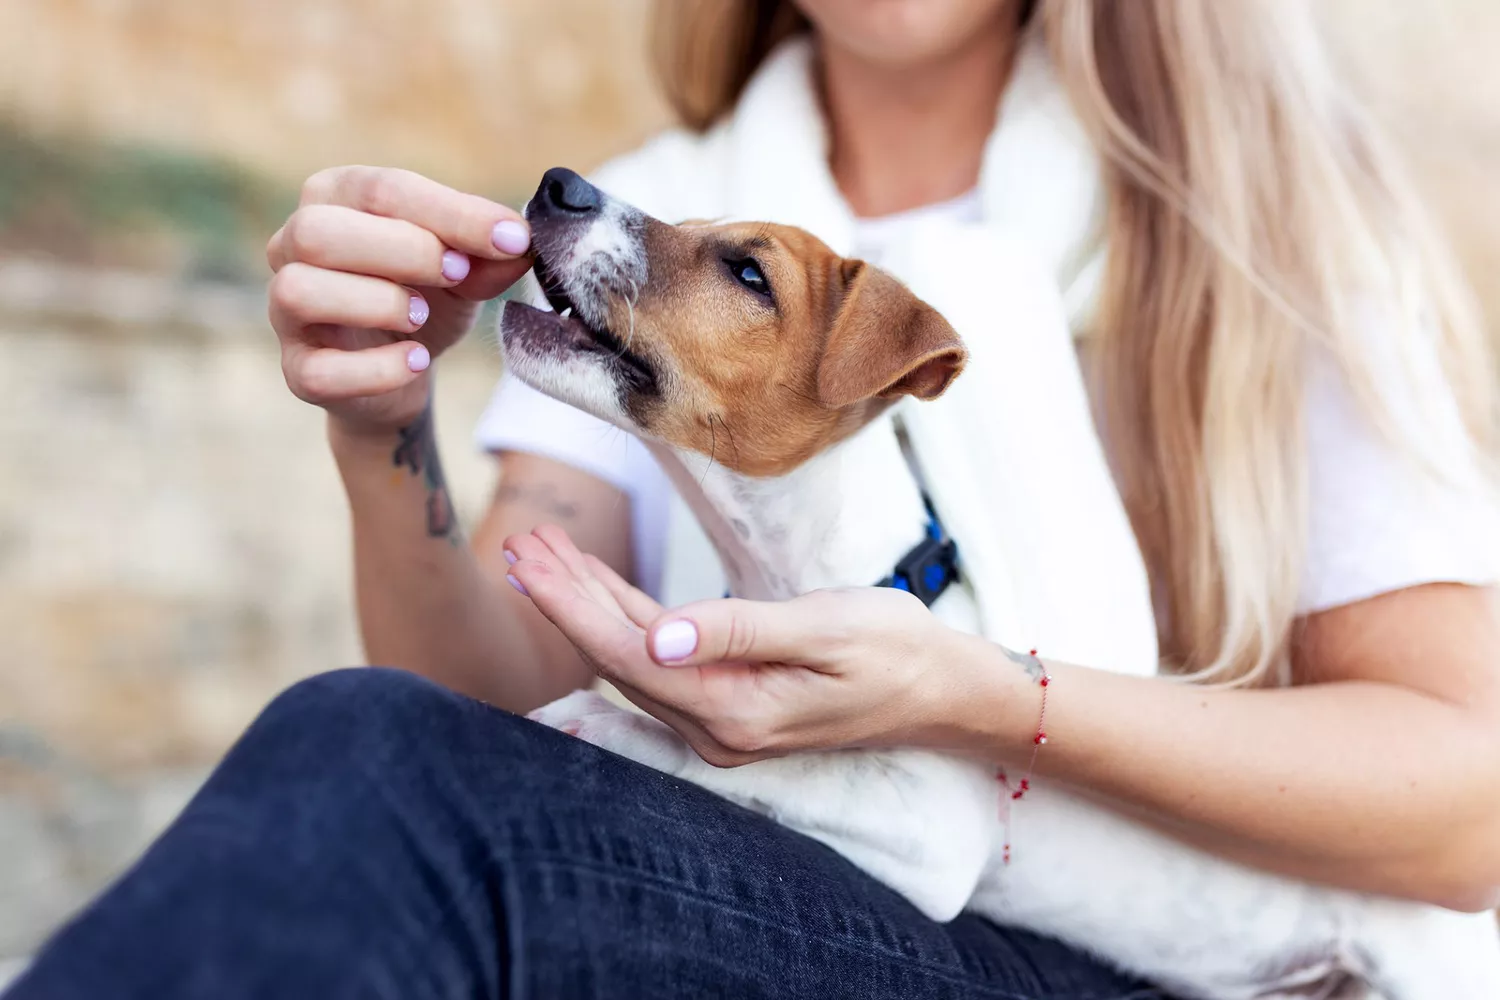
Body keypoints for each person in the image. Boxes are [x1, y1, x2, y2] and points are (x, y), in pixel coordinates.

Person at [11, 1, 1500, 997]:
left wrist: (982, 701)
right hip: (803, 926)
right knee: (363, 742)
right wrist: (381, 428)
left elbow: (1468, 808)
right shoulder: (658, 205)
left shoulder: (1255, 239)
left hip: (1191, 966)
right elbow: (484, 712)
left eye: (745, 273)